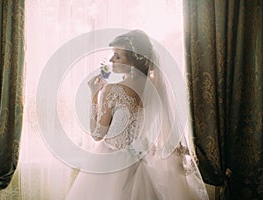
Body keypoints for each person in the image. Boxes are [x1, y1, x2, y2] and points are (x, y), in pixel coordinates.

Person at [66, 30, 209, 200]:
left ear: (133, 62)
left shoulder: (113, 90)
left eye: (117, 56)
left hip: (112, 162)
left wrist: (94, 94)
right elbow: (164, 128)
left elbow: (97, 134)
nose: (111, 60)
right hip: (145, 165)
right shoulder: (157, 89)